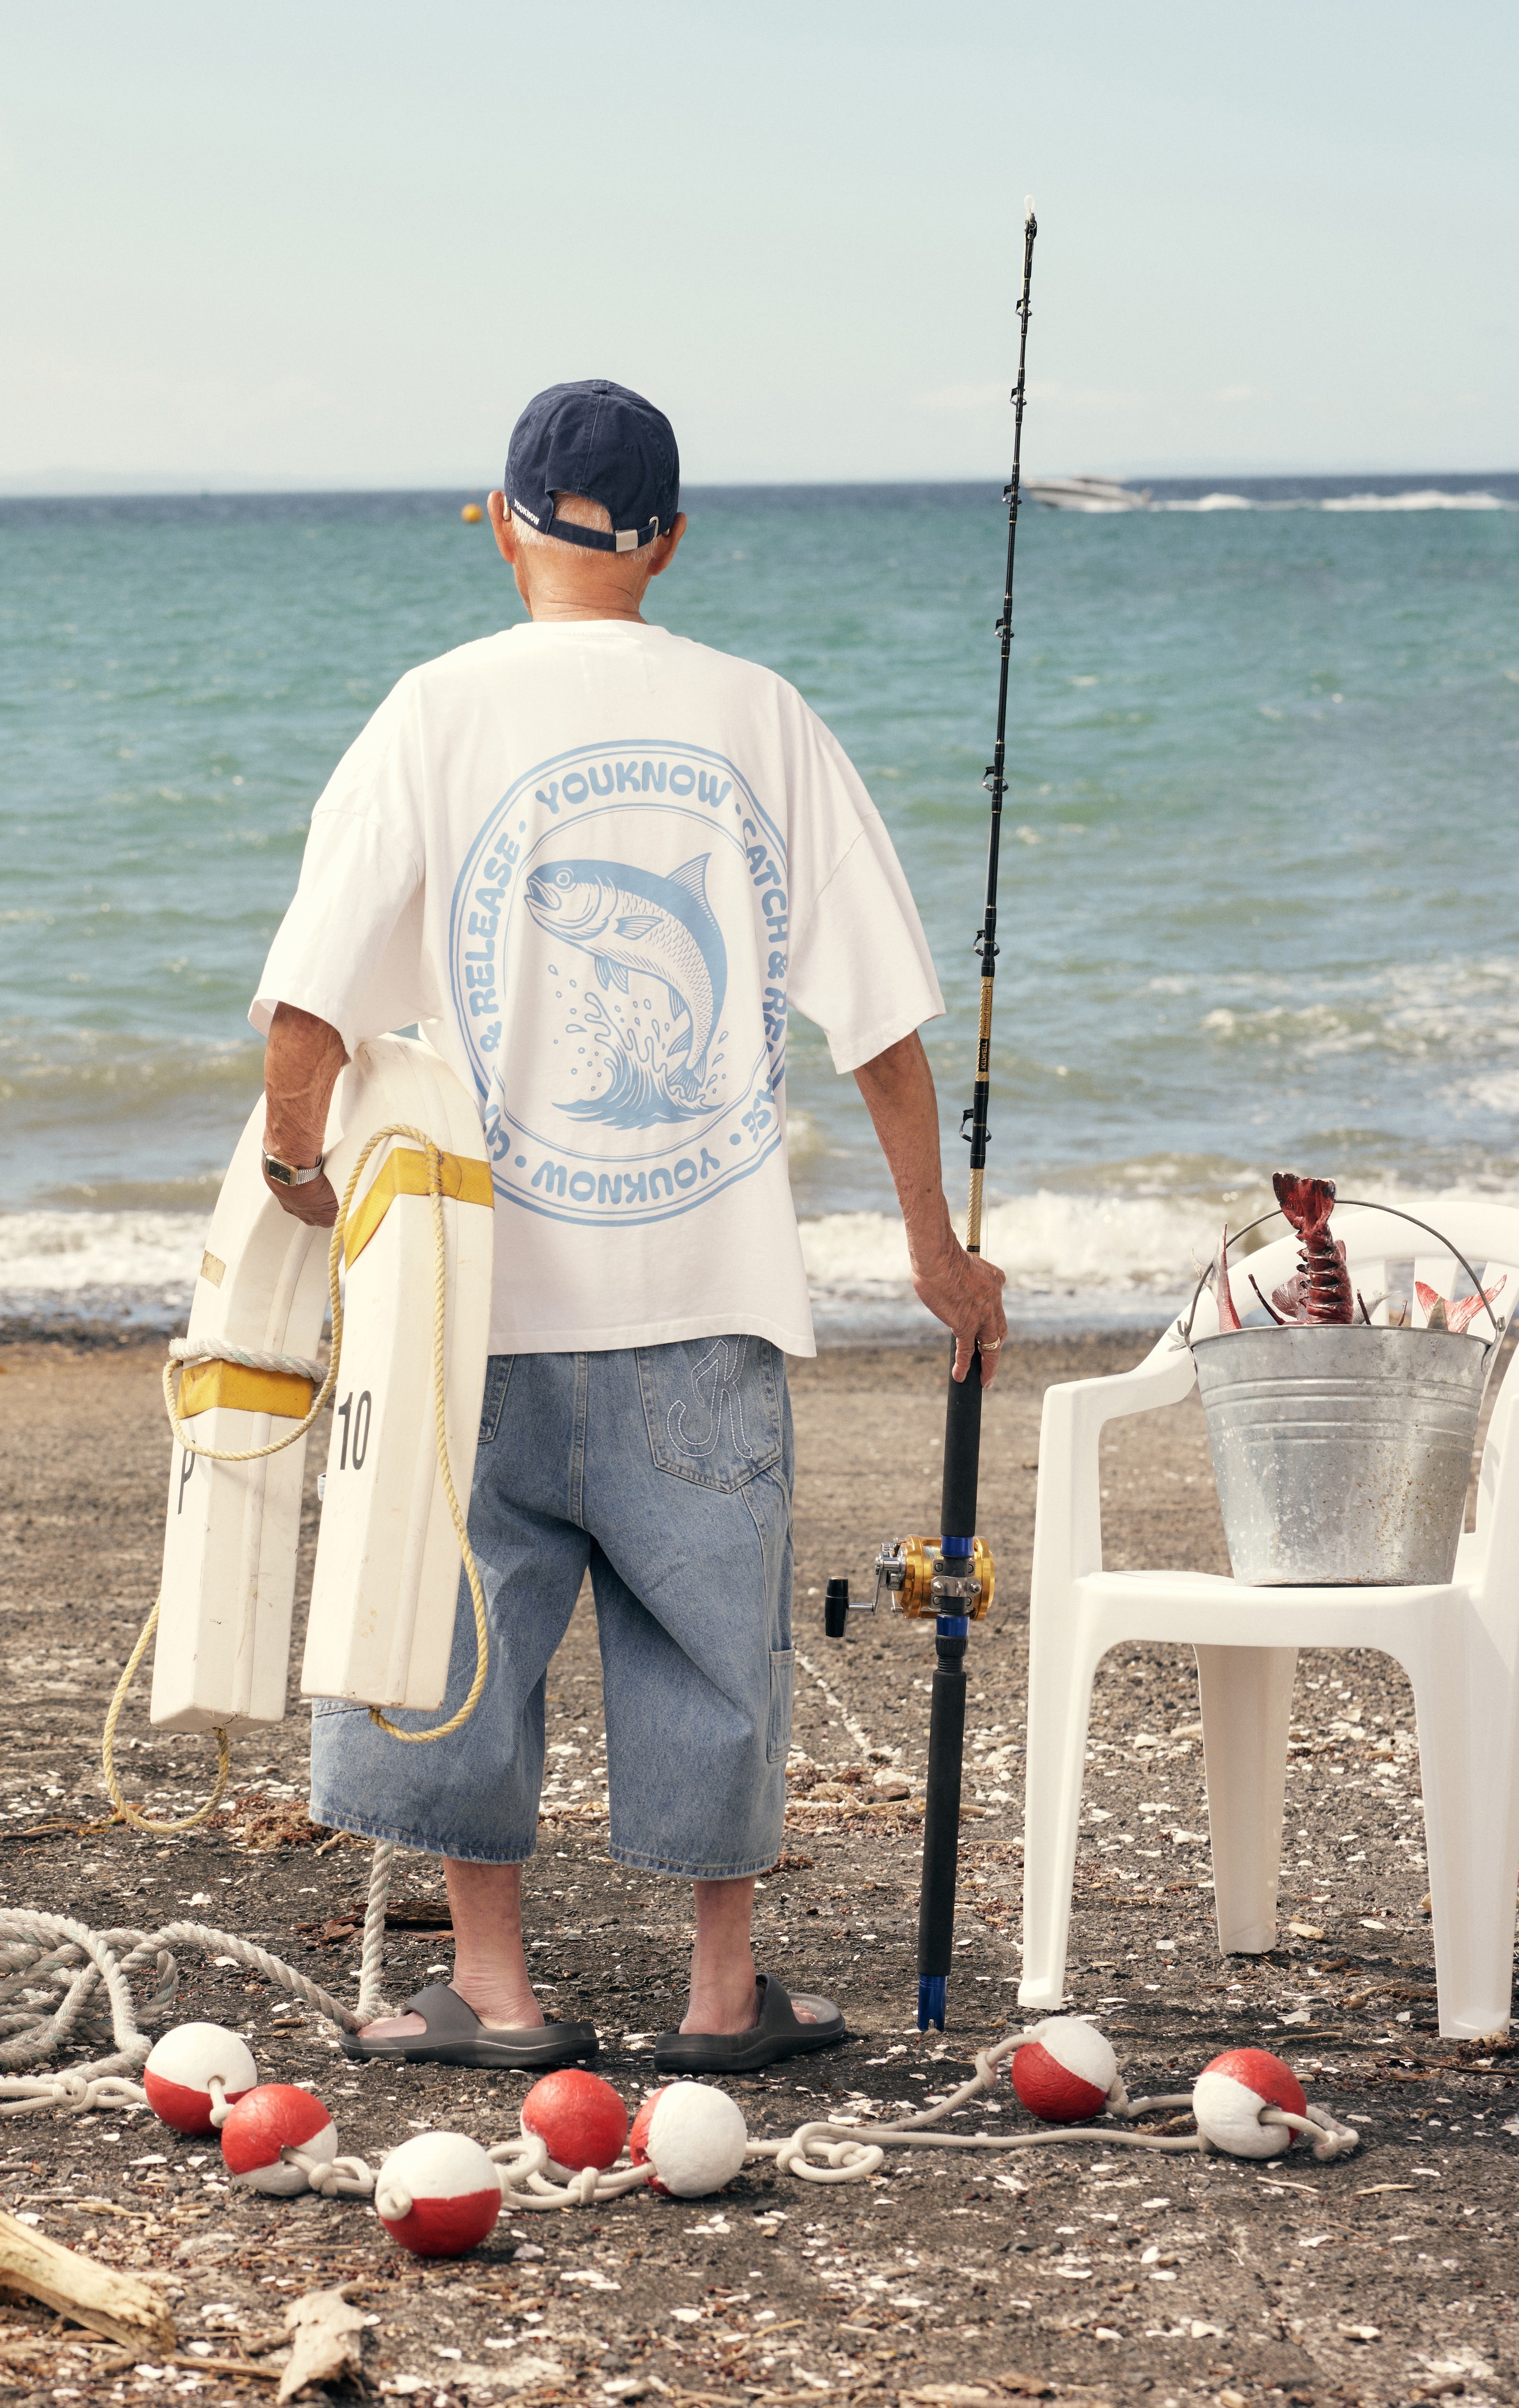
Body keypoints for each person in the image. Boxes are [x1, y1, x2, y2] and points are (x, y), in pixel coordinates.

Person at [250, 379, 1008, 2073]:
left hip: (475, 1307)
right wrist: (936, 1252)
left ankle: (498, 1992)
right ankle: (724, 1999)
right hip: (705, 1291)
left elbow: (307, 1000)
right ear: (669, 540)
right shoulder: (765, 714)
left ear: (505, 522)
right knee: (716, 1647)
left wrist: (303, 1185)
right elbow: (879, 1020)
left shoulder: (429, 714)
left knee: (463, 1630)